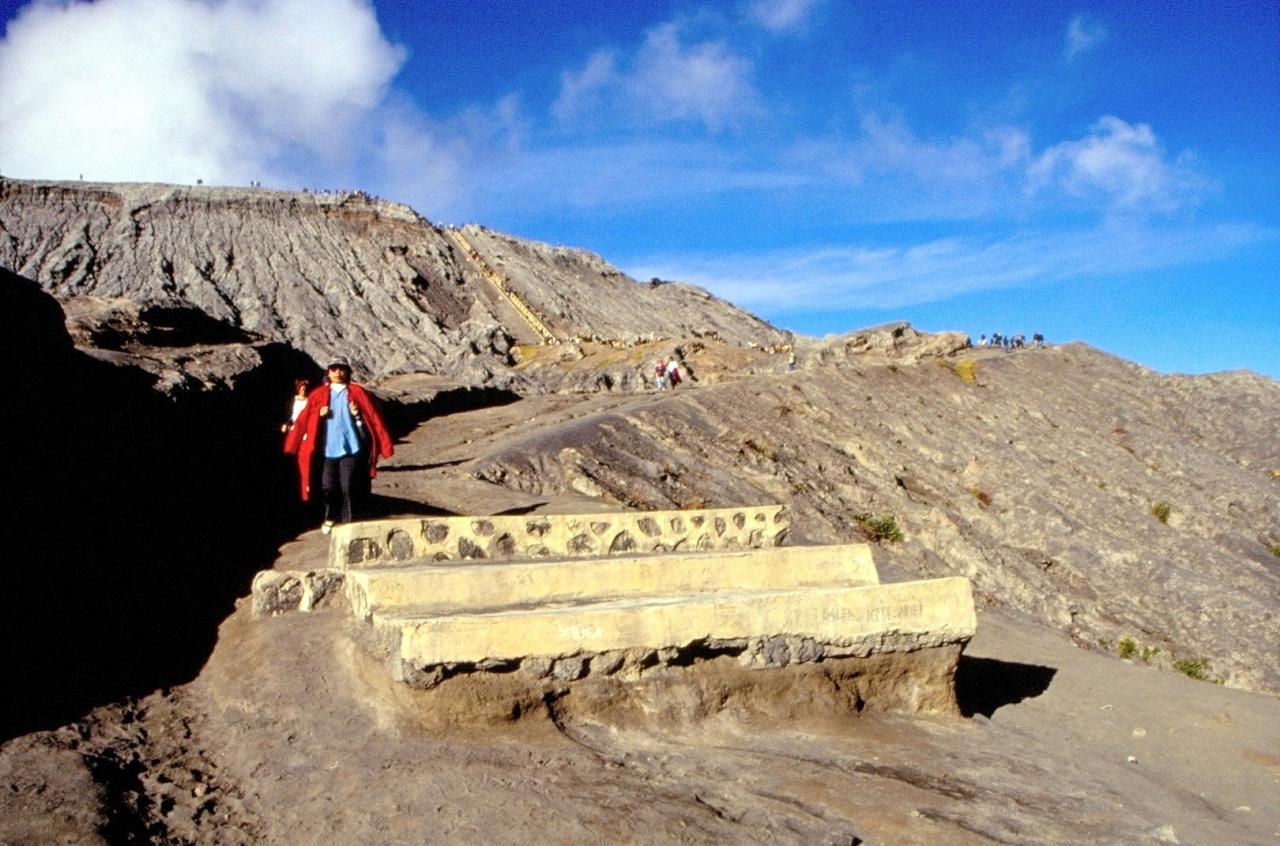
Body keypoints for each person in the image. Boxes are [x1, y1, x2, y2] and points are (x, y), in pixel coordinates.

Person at [284, 357, 393, 533]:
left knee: (348, 485)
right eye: (334, 369)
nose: (338, 372)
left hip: (351, 447)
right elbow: (304, 420)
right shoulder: (318, 395)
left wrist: (357, 415)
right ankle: (330, 516)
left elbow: (373, 418)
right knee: (328, 486)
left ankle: (349, 521)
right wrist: (316, 417)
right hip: (327, 449)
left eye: (342, 369)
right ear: (328, 372)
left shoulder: (357, 392)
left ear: (348, 372)